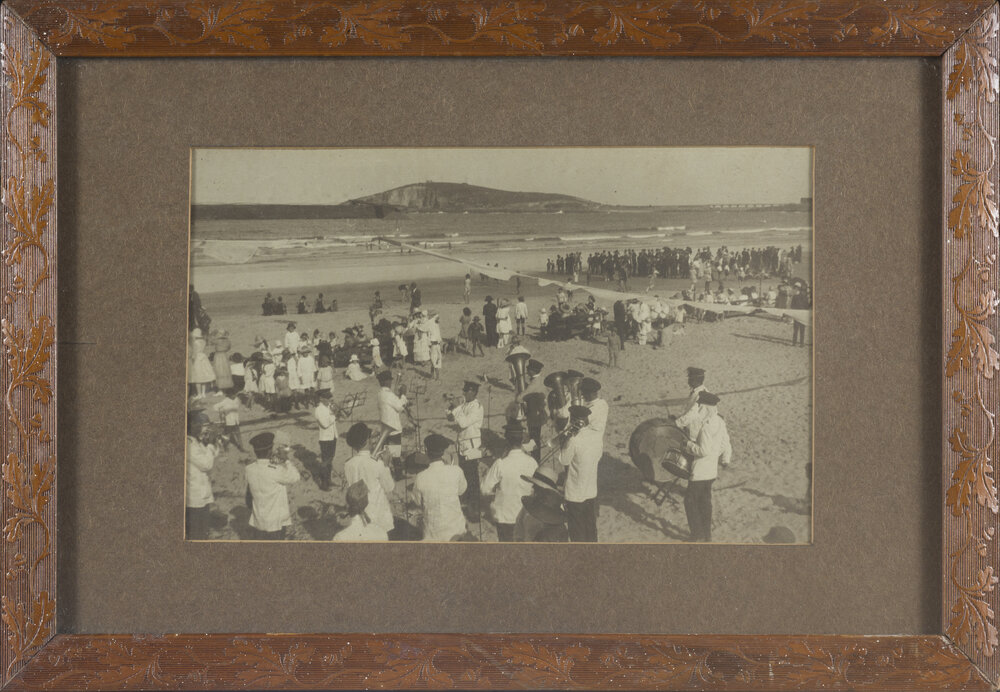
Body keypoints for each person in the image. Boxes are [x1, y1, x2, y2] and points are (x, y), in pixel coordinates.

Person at [683, 391, 733, 542]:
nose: (698, 409)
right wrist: (724, 460)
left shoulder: (705, 427)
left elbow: (703, 450)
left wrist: (688, 445)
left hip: (700, 472)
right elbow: (725, 444)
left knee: (690, 501)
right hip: (711, 471)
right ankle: (707, 534)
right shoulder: (720, 422)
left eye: (700, 407)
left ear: (705, 408)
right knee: (705, 502)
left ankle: (696, 534)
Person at [481, 420, 538, 541]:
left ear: (507, 440)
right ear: (522, 440)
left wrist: (496, 491)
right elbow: (537, 487)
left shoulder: (500, 463)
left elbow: (484, 489)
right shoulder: (532, 462)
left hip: (505, 517)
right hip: (526, 516)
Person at [558, 405, 603, 542]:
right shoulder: (597, 436)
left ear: (574, 421)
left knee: (577, 532)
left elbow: (564, 460)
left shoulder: (574, 440)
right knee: (590, 527)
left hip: (575, 494)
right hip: (591, 490)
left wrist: (565, 441)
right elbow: (598, 456)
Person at [245, 432, 301, 539]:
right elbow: (296, 477)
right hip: (275, 523)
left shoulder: (249, 469)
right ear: (270, 451)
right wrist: (286, 460)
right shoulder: (276, 470)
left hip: (258, 521)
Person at [343, 422, 395, 535]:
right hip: (378, 514)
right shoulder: (377, 463)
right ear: (367, 441)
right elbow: (389, 487)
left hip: (358, 515)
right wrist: (386, 465)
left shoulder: (348, 464)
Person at [413, 433, 467, 541]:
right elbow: (462, 490)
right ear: (443, 452)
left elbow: (417, 502)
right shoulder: (456, 471)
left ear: (427, 452)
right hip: (456, 530)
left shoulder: (420, 477)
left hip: (433, 533)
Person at [448, 380, 484, 513]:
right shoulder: (465, 404)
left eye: (466, 391)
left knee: (472, 475)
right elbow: (452, 419)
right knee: (464, 473)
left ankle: (475, 503)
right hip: (463, 444)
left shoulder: (477, 407)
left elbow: (463, 423)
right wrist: (451, 409)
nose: (463, 393)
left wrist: (457, 408)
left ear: (473, 392)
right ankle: (467, 499)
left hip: (472, 445)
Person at [186, 410, 218, 539]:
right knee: (197, 531)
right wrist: (210, 444)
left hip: (202, 492)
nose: (204, 428)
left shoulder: (196, 441)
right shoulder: (190, 445)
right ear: (193, 426)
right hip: (195, 495)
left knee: (204, 527)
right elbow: (207, 464)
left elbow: (213, 455)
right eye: (202, 425)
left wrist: (213, 442)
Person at [514, 466, 568, 542]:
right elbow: (518, 532)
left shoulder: (557, 514)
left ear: (547, 492)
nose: (533, 487)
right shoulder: (527, 507)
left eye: (536, 486)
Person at [376, 369, 408, 474]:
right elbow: (399, 407)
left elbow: (393, 403)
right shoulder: (388, 394)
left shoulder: (380, 393)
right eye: (389, 380)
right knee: (395, 454)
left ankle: (388, 472)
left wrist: (397, 397)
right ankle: (398, 474)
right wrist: (403, 394)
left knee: (387, 452)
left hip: (385, 427)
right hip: (393, 427)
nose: (391, 382)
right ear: (385, 382)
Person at [519, 359, 548, 461]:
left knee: (534, 439)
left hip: (534, 415)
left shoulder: (534, 383)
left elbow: (519, 399)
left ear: (533, 371)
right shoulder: (541, 379)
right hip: (540, 413)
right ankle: (536, 459)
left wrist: (520, 390)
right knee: (535, 438)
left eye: (528, 369)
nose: (527, 371)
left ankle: (535, 461)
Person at [313, 389, 338, 490]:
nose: (329, 400)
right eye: (327, 399)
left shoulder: (328, 407)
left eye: (330, 398)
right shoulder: (318, 410)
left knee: (330, 459)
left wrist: (336, 412)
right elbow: (325, 424)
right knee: (325, 461)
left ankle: (329, 480)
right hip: (325, 439)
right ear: (321, 399)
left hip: (332, 436)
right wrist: (334, 415)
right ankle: (324, 483)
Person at [675, 366, 707, 432]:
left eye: (690, 379)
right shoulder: (695, 392)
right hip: (691, 426)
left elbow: (692, 414)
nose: (688, 381)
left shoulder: (702, 395)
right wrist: (677, 417)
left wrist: (677, 423)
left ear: (696, 380)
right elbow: (687, 409)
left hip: (698, 431)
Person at [188, 328, 216, 399]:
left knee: (198, 377)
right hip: (203, 357)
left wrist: (192, 359)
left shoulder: (195, 342)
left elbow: (194, 352)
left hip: (197, 358)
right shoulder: (203, 341)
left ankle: (199, 394)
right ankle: (203, 393)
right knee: (204, 376)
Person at [580, 377, 607, 442]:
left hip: (591, 442)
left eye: (584, 393)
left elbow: (582, 422)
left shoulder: (599, 405)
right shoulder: (598, 403)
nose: (582, 395)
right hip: (590, 440)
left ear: (590, 393)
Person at [427, 309, 442, 380]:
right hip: (433, 345)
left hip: (436, 345)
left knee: (436, 361)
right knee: (434, 361)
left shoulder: (435, 324)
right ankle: (434, 376)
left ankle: (435, 376)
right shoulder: (432, 323)